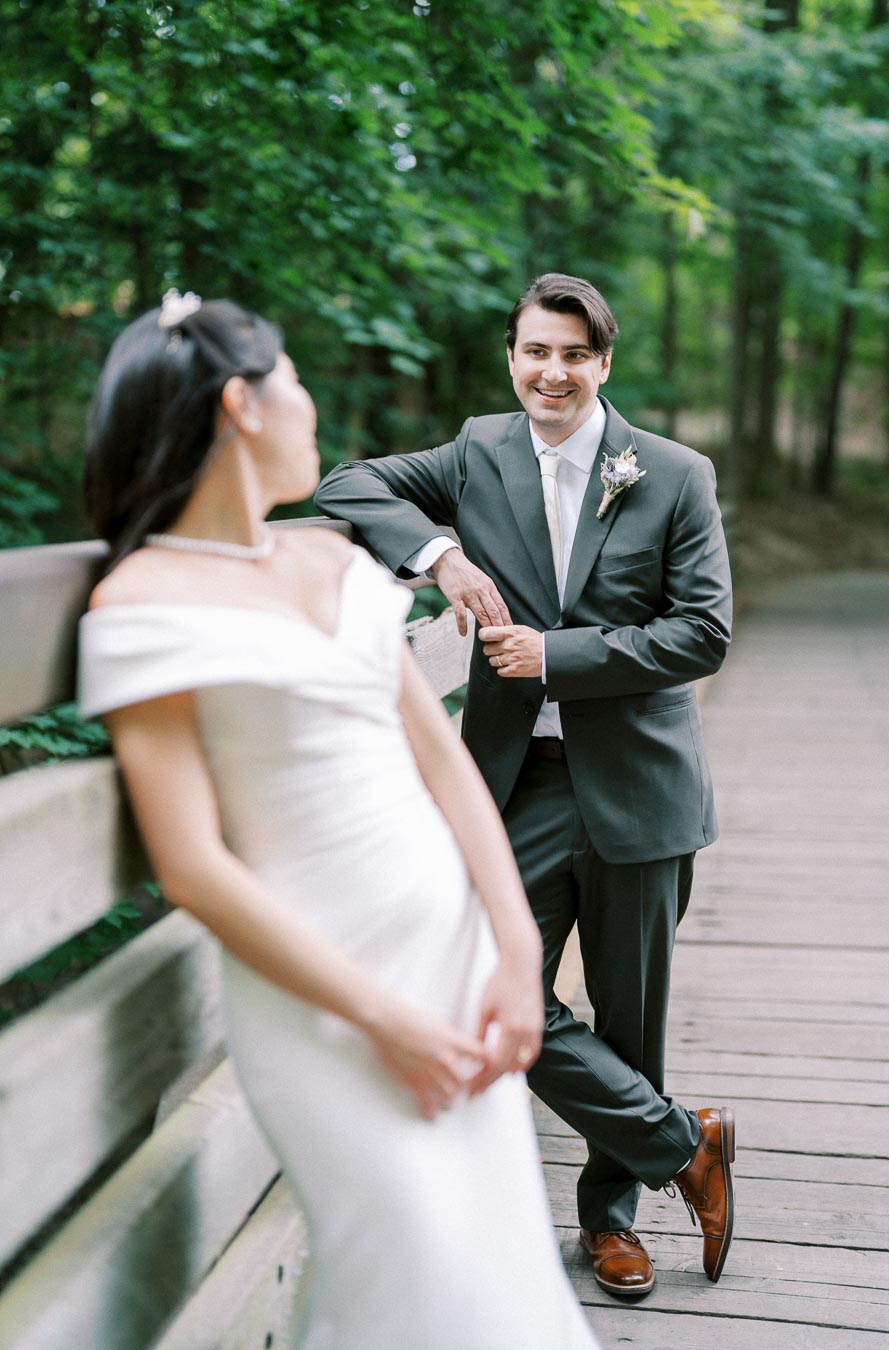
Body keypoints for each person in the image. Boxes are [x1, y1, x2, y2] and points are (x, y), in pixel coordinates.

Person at [78, 291, 600, 1349]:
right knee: (404, 1275)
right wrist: (382, 1019)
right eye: (296, 380)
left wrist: (512, 949)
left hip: (455, 964)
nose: (312, 403)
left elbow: (447, 768)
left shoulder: (332, 560)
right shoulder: (141, 600)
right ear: (244, 405)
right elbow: (192, 867)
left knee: (495, 1279)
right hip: (328, 1003)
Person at [315, 271, 736, 1298]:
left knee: (632, 1018)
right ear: (512, 355)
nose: (554, 371)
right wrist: (440, 554)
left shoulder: (673, 473)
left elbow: (704, 630)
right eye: (537, 351)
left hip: (641, 786)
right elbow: (343, 486)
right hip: (520, 789)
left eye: (576, 354)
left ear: (604, 364)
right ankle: (684, 1143)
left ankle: (611, 1225)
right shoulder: (474, 452)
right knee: (485, 985)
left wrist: (559, 657)